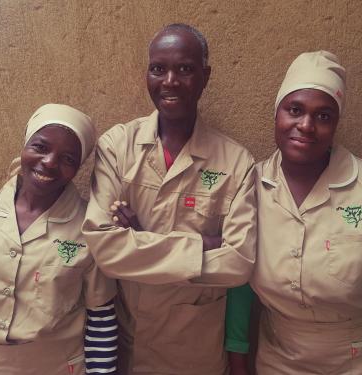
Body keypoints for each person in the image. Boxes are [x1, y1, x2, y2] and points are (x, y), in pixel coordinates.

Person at [225, 51, 362, 374]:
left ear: (335, 125)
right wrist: (237, 360)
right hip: (277, 359)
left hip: (358, 360)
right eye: (294, 110)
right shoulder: (251, 186)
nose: (305, 125)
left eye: (323, 116)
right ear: (276, 113)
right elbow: (238, 283)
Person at [83, 24, 256, 375]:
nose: (170, 81)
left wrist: (140, 240)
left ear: (205, 76)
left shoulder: (236, 163)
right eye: (158, 68)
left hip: (195, 354)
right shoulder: (118, 146)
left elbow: (239, 263)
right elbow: (104, 249)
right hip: (127, 348)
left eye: (185, 69)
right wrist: (202, 246)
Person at [0, 104, 118, 375]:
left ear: (78, 167)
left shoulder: (89, 226)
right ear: (24, 146)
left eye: (67, 158)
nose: (50, 162)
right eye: (41, 147)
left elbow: (101, 320)